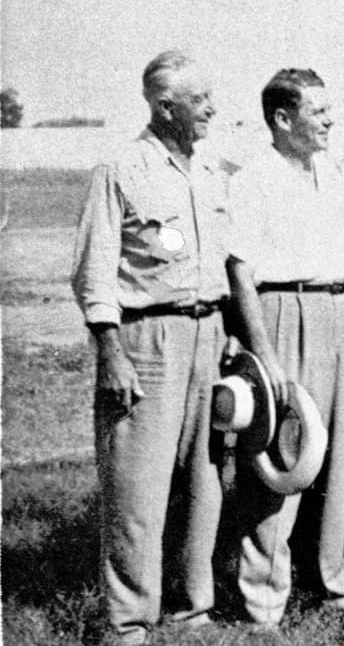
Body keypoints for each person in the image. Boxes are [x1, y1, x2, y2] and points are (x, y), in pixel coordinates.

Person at [70, 50, 228, 645]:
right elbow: (94, 271)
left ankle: (194, 609)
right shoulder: (120, 169)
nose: (211, 108)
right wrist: (110, 351)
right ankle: (129, 623)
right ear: (165, 107)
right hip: (148, 339)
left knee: (204, 479)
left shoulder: (212, 170)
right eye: (199, 99)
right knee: (136, 487)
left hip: (210, 334)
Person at [225, 68, 344, 626]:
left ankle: (331, 585)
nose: (329, 121)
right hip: (282, 313)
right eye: (317, 112)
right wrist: (264, 352)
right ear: (282, 118)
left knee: (338, 458)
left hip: (338, 312)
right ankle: (264, 601)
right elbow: (240, 272)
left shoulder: (333, 174)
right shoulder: (253, 181)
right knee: (280, 458)